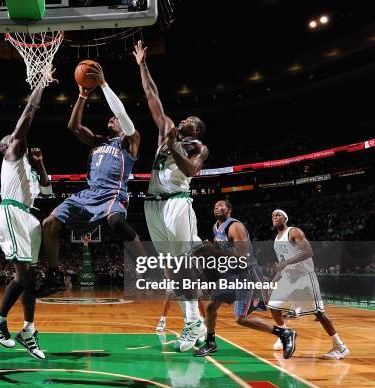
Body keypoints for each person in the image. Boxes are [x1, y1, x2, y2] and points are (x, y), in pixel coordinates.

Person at [42, 62, 143, 297]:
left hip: (112, 195)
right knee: (49, 224)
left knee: (117, 223)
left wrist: (104, 84)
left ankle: (146, 267)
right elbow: (73, 126)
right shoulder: (98, 142)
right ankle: (54, 276)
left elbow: (122, 115)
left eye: (115, 119)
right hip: (88, 195)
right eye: (110, 118)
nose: (112, 119)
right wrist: (82, 96)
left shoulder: (130, 142)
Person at [134, 40, 207, 351]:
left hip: (177, 203)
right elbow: (153, 95)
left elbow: (191, 171)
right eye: (183, 118)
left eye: (190, 120)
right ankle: (193, 324)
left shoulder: (197, 147)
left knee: (184, 264)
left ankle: (194, 323)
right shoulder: (167, 130)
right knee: (173, 270)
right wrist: (142, 64)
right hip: (152, 205)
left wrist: (174, 143)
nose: (183, 120)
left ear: (197, 130)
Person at [0, 79, 54, 360]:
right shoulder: (12, 157)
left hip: (29, 218)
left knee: (30, 279)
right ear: (6, 148)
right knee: (24, 275)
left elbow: (49, 190)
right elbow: (27, 117)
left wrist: (39, 163)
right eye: (9, 140)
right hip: (11, 212)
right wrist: (40, 87)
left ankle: (29, 329)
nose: (13, 140)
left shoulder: (27, 164)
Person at [193, 201, 298, 358]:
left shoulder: (236, 227)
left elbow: (244, 257)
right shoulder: (216, 227)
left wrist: (213, 250)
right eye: (214, 205)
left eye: (220, 205)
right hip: (231, 274)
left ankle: (284, 333)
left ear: (229, 210)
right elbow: (221, 250)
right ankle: (211, 343)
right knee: (211, 308)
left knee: (241, 319)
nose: (216, 207)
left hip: (246, 273)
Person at [269, 209, 349, 360]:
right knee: (273, 306)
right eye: (273, 216)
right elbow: (282, 264)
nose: (275, 217)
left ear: (285, 218)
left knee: (318, 312)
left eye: (278, 215)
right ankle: (284, 335)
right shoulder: (276, 239)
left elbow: (308, 251)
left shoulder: (293, 232)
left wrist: (286, 262)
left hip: (304, 277)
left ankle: (340, 346)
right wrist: (273, 280)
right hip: (288, 279)